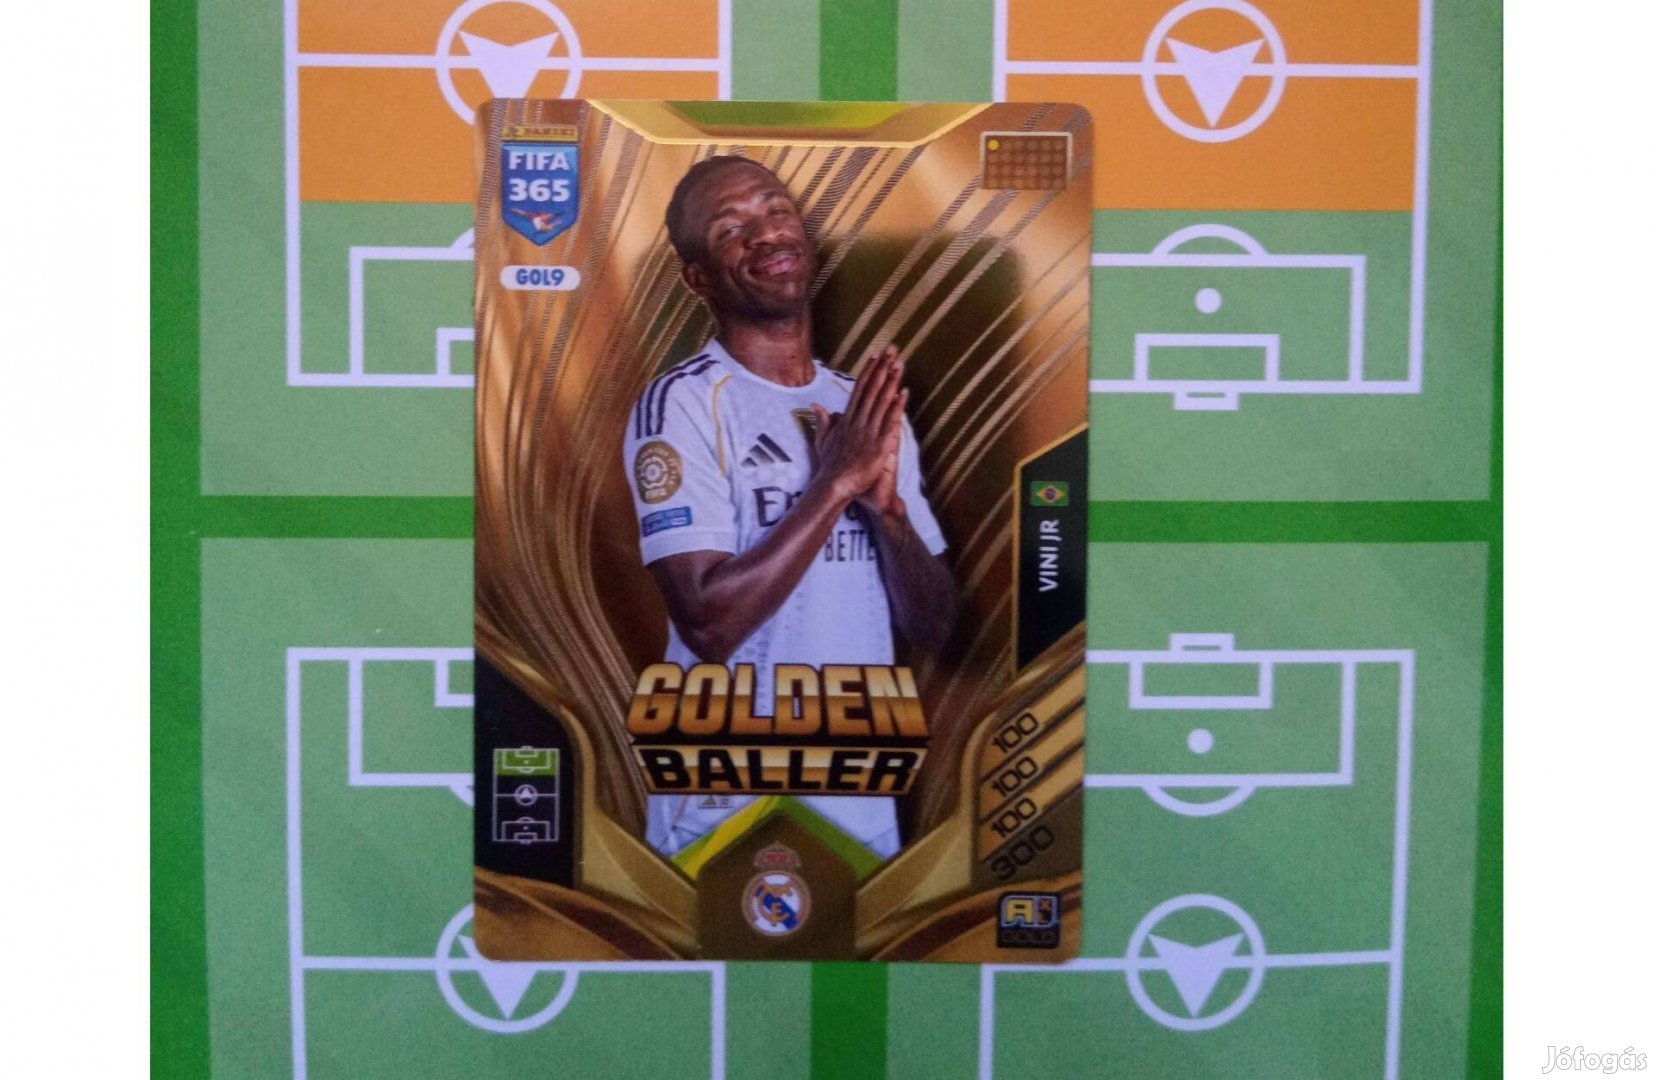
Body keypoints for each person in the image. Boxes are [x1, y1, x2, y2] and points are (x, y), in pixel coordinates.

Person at [622, 155, 957, 860]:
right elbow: (707, 624)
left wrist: (888, 516)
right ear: (697, 277)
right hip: (725, 806)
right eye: (731, 228)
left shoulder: (860, 408)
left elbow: (934, 625)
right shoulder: (682, 404)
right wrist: (832, 486)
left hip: (858, 804)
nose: (766, 233)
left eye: (776, 210)